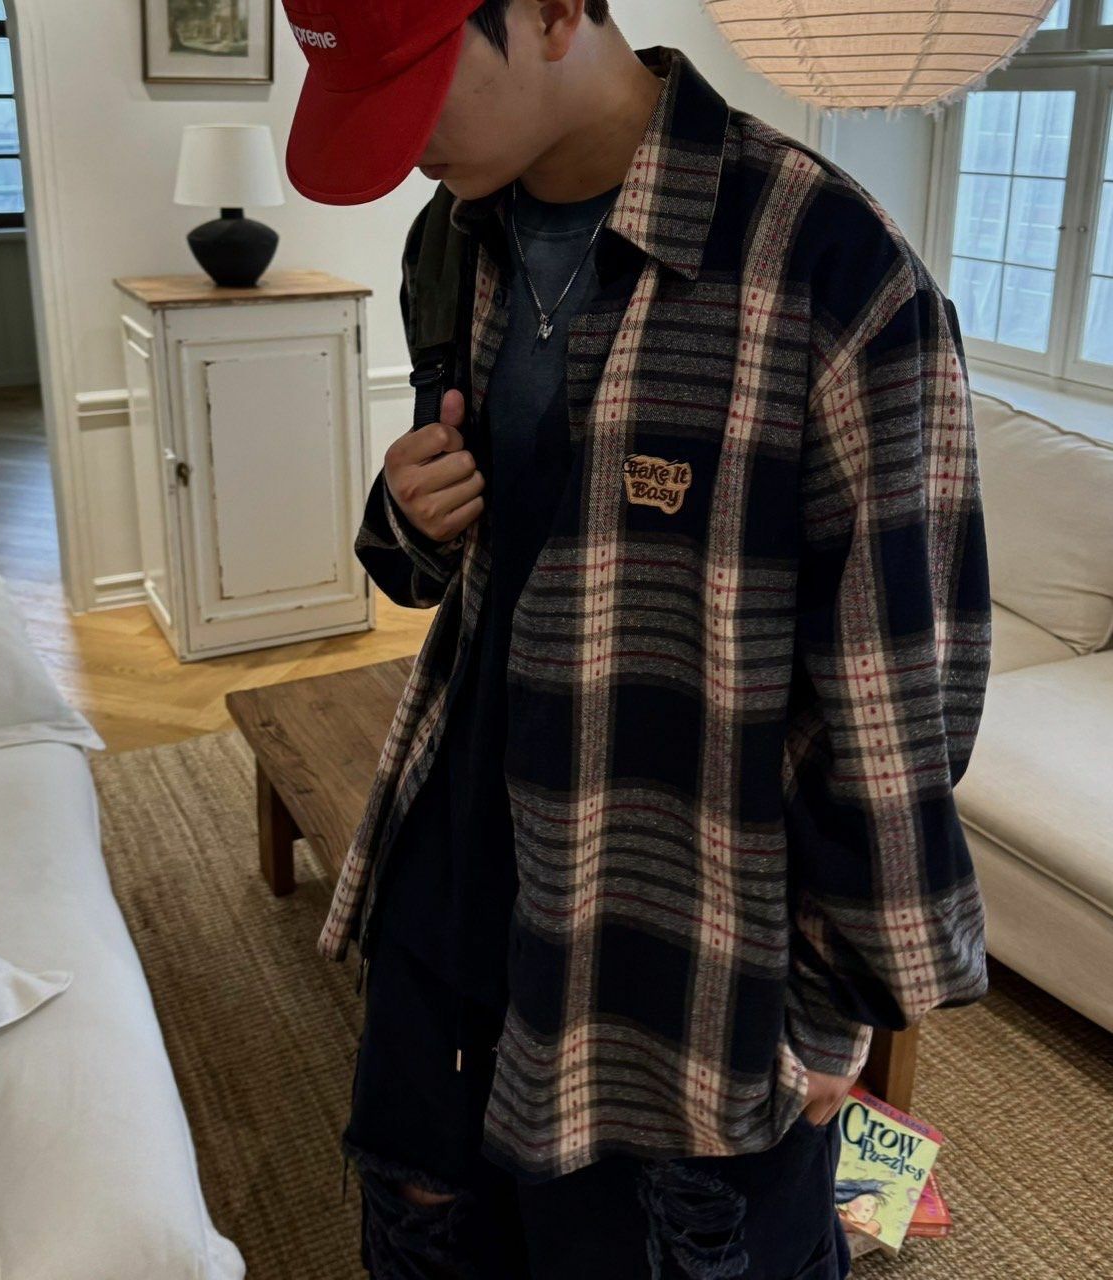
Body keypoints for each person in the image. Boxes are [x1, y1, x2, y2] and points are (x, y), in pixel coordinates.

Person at [280, 2, 993, 1277]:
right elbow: (456, 567)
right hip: (449, 897)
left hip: (683, 967)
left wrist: (833, 1006)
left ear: (556, 10)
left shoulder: (832, 271)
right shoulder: (450, 235)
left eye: (418, 82)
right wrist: (403, 515)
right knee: (423, 1231)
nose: (400, 143)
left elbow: (900, 693)